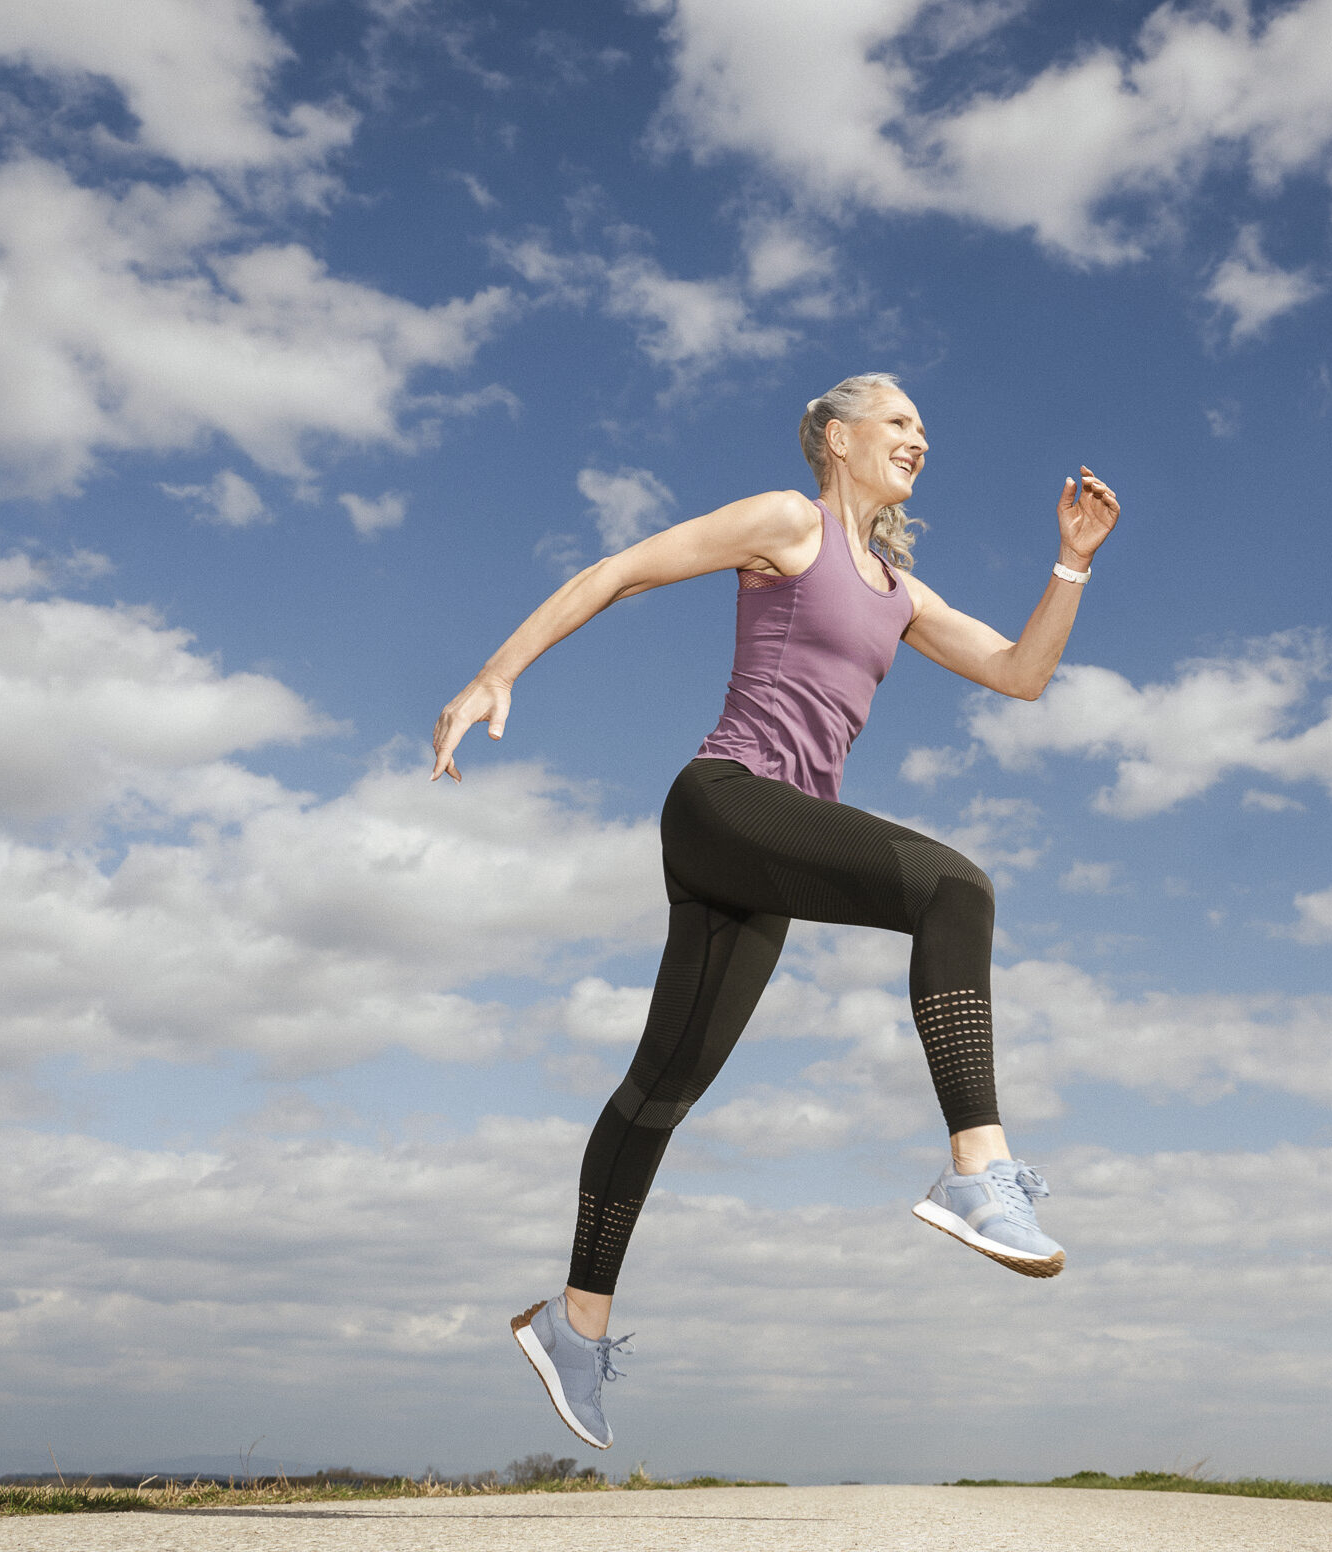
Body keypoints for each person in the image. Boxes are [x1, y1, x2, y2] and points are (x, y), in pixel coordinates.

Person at [431, 373, 1120, 1449]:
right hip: (724, 805)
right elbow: (624, 571)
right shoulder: (786, 525)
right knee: (955, 887)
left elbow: (1019, 673)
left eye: (925, 427)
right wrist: (492, 672)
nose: (918, 438)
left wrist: (1070, 561)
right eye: (899, 421)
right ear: (837, 438)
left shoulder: (899, 588)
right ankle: (979, 1169)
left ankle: (574, 1323)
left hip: (764, 854)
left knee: (662, 1089)